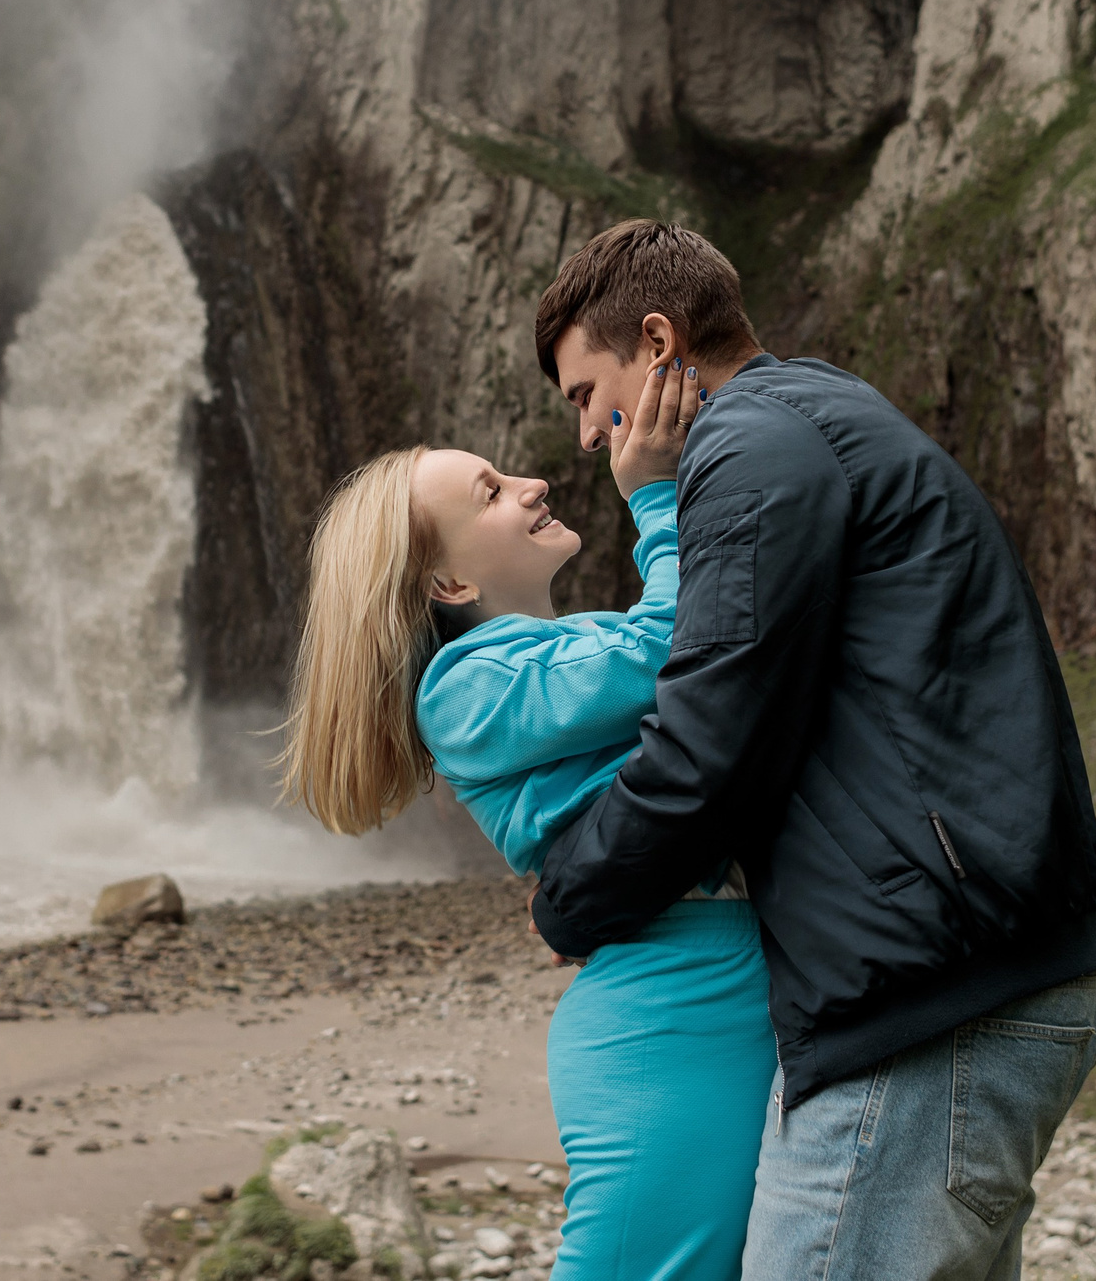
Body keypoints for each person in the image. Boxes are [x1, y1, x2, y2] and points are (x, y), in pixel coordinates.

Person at [526, 219, 1096, 1281]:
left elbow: (713, 737)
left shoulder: (752, 447)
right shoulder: (816, 414)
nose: (583, 437)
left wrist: (566, 896)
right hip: (972, 985)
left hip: (928, 1013)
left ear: (658, 344)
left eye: (583, 394)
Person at [280, 358, 774, 1281]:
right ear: (450, 582)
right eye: (493, 491)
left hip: (718, 981)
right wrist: (656, 500)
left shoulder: (564, 645)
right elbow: (684, 649)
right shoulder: (465, 689)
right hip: (666, 1008)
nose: (534, 481)